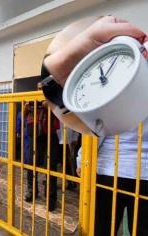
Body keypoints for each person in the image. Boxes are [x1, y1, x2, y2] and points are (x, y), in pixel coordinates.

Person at [43, 16, 148, 234]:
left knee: (100, 227)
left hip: (108, 168)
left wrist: (82, 158)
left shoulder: (118, 78)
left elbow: (98, 129)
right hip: (144, 173)